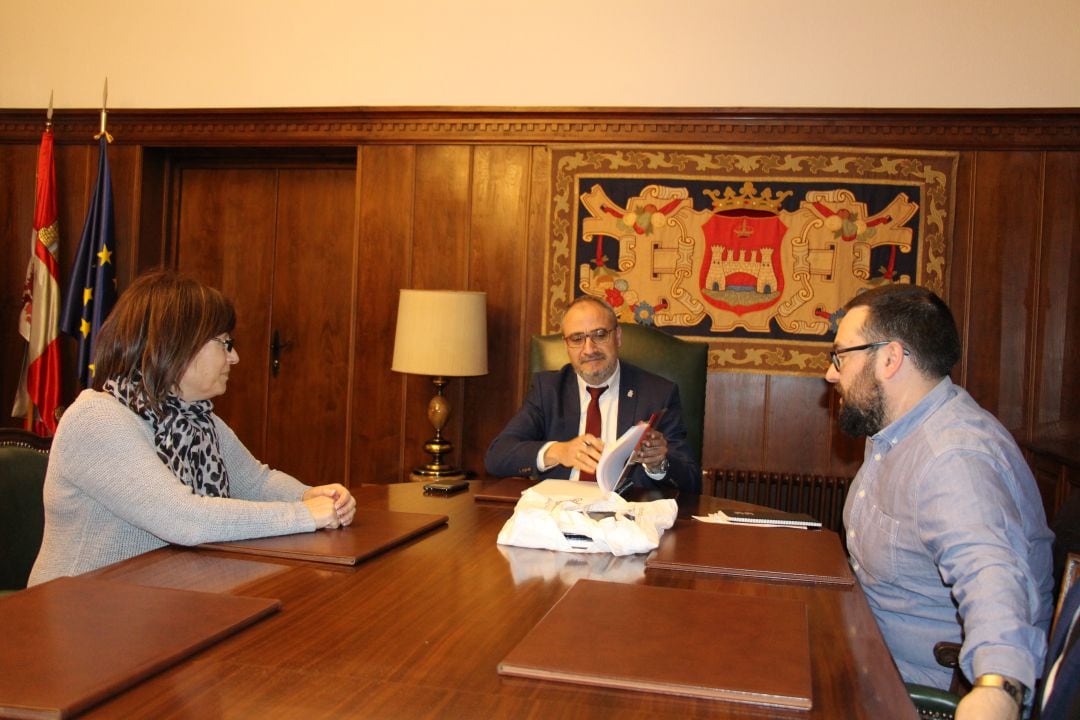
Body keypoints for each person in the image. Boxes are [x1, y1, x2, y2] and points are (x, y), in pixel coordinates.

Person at [28, 271, 356, 584]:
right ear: (177, 343)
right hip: (80, 616)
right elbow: (185, 519)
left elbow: (256, 482)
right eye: (224, 343)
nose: (235, 357)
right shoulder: (97, 419)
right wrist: (305, 515)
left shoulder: (196, 419)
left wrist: (311, 495)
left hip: (163, 604)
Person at [825, 283, 1054, 720]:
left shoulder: (954, 458)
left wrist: (998, 687)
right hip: (869, 652)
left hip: (915, 693)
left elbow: (992, 573)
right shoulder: (896, 432)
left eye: (841, 356)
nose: (831, 374)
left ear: (889, 359)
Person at [484, 295, 700, 495]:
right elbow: (497, 456)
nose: (589, 349)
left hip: (627, 518)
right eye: (577, 338)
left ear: (617, 337)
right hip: (559, 514)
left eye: (599, 335)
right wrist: (559, 451)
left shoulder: (657, 393)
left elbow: (691, 479)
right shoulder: (548, 389)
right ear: (566, 345)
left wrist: (659, 464)